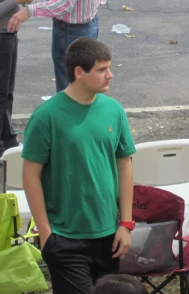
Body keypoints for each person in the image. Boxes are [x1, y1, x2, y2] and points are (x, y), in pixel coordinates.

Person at [22, 38, 135, 292]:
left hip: (108, 234)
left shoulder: (114, 110)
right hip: (64, 237)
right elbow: (30, 175)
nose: (110, 75)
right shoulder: (46, 116)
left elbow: (125, 165)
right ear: (79, 72)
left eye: (109, 67)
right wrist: (46, 233)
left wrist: (125, 224)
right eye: (102, 69)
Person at [0, 0, 32, 157]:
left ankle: (8, 138)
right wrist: (17, 0)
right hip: (1, 38)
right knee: (1, 93)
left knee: (8, 91)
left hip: (9, 37)